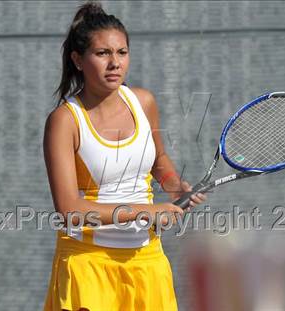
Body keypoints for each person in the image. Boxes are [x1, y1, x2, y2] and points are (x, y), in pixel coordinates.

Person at [42, 3, 206, 311]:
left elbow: (159, 161)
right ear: (78, 60)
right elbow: (69, 209)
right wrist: (145, 211)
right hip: (87, 263)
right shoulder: (64, 121)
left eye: (122, 52)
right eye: (102, 53)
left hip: (147, 261)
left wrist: (174, 186)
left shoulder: (143, 102)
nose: (114, 63)